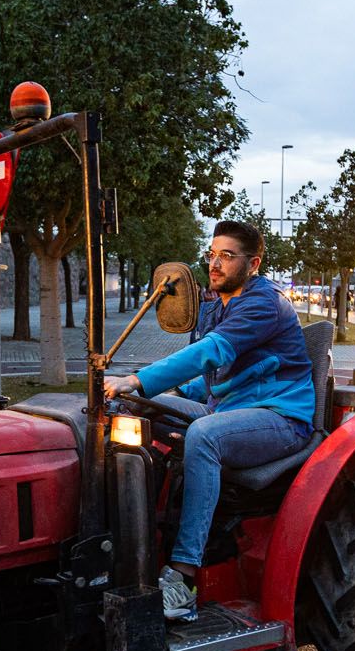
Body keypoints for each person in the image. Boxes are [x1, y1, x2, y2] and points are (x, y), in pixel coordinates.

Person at [104, 220, 315, 622]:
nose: (215, 264)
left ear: (253, 263)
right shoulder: (217, 304)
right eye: (212, 254)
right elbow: (211, 378)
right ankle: (133, 543)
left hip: (280, 417)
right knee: (134, 409)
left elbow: (211, 353)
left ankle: (183, 578)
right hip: (229, 409)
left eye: (227, 256)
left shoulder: (263, 303)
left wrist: (138, 378)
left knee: (203, 435)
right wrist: (150, 393)